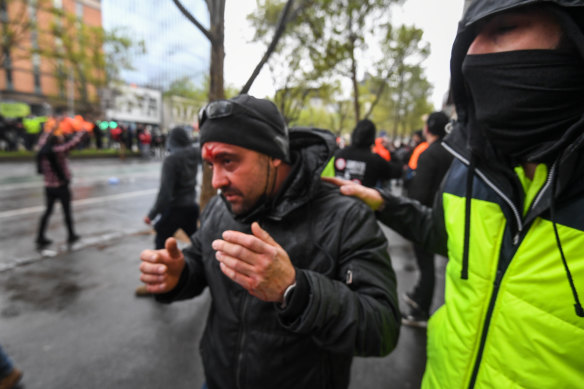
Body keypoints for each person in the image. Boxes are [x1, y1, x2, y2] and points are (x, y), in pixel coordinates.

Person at [324, 2, 584, 387]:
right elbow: (448, 238)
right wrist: (382, 203)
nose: (471, 57)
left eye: (505, 28)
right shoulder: (467, 165)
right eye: (469, 37)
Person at [138, 94, 400, 389]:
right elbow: (202, 256)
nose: (217, 182)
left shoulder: (345, 217)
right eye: (211, 165)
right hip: (218, 378)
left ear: (274, 154)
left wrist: (294, 290)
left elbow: (383, 329)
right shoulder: (221, 206)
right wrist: (181, 273)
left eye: (228, 161)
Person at [400, 111, 452, 327]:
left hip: (428, 218)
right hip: (448, 217)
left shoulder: (429, 154)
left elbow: (419, 194)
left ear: (428, 129)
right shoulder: (452, 152)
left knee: (426, 263)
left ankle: (421, 309)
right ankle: (419, 294)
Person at [136, 126, 201, 297]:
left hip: (176, 208)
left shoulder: (171, 160)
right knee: (199, 242)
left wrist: (151, 215)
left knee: (161, 243)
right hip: (191, 207)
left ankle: (157, 283)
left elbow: (165, 194)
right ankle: (217, 271)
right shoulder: (194, 154)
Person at [35, 115, 87, 248]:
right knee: (67, 212)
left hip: (48, 187)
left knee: (47, 211)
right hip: (61, 187)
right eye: (60, 136)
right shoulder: (58, 151)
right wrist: (83, 129)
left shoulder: (43, 149)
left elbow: (44, 136)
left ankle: (40, 236)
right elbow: (73, 142)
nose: (62, 136)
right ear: (56, 140)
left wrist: (54, 125)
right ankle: (71, 235)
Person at [333, 119, 402, 188]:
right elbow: (398, 171)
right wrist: (391, 149)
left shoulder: (338, 154)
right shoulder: (375, 160)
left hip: (336, 197)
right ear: (372, 137)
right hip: (362, 198)